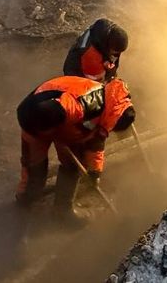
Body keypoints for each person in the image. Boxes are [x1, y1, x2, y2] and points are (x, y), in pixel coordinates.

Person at [16, 75, 136, 223]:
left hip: (68, 126)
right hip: (34, 120)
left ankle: (62, 211)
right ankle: (25, 203)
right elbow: (46, 110)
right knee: (36, 169)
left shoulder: (110, 108)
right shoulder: (86, 104)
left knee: (73, 166)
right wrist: (55, 132)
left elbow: (96, 140)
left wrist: (94, 172)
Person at [63, 18, 128, 82]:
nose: (117, 54)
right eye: (115, 51)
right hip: (75, 72)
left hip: (83, 56)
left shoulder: (107, 31)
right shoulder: (91, 55)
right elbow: (96, 82)